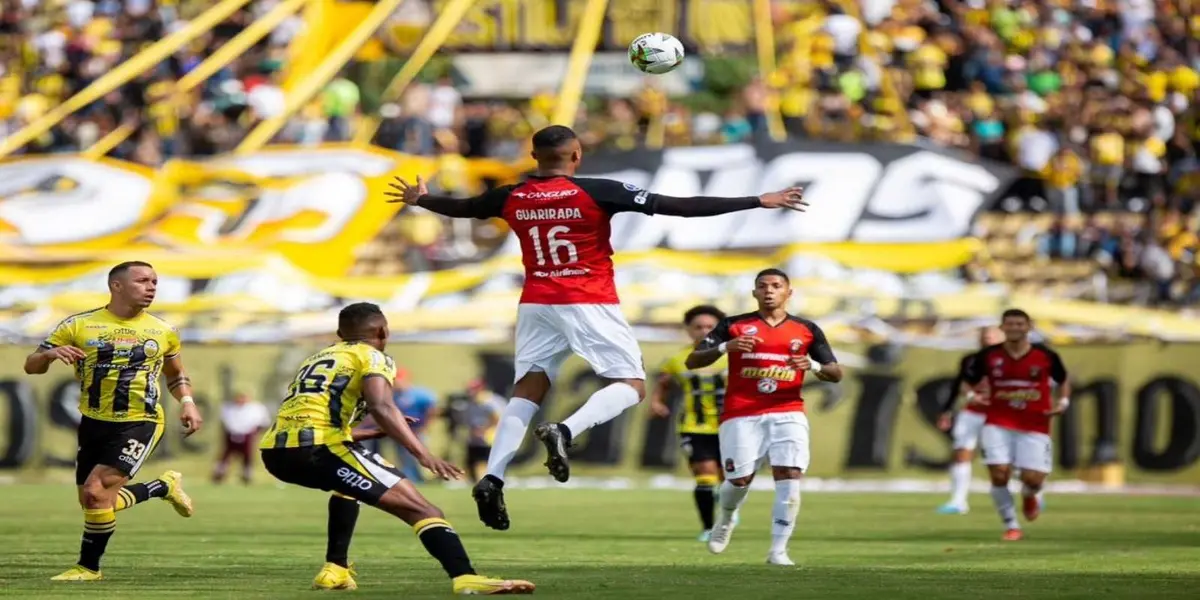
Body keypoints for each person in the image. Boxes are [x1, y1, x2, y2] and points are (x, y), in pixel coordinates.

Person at [386, 124, 808, 530]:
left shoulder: (511, 195)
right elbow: (677, 206)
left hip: (536, 302)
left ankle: (494, 477)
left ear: (533, 156)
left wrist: (422, 200)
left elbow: (465, 208)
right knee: (631, 384)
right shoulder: (597, 191)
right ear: (577, 155)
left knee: (528, 389)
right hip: (589, 299)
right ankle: (565, 430)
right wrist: (757, 200)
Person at [258, 302, 534, 594]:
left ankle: (335, 569)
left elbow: (312, 418)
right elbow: (382, 405)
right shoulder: (374, 357)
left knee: (348, 489)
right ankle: (465, 577)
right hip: (320, 450)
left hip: (276, 453)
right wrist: (423, 454)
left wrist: (373, 431)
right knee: (423, 509)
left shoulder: (317, 358)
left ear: (340, 333)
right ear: (382, 330)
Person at [23, 261, 202, 581]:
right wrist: (49, 354)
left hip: (141, 421)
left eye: (155, 282)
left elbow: (177, 375)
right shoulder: (78, 325)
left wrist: (187, 402)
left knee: (96, 493)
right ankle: (163, 486)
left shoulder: (163, 331)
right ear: (116, 286)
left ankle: (88, 568)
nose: (151, 287)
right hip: (93, 422)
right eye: (143, 281)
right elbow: (31, 366)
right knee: (94, 501)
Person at [685, 268, 843, 566]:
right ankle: (726, 518)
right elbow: (692, 360)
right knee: (739, 480)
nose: (769, 290)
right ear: (754, 292)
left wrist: (811, 365)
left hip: (788, 412)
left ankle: (778, 551)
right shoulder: (733, 325)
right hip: (742, 413)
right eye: (763, 286)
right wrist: (723, 347)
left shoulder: (806, 329)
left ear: (788, 292)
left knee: (790, 478)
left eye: (776, 285)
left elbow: (835, 373)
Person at [961, 309, 1070, 541]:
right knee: (999, 474)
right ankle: (1011, 525)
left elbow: (1063, 379)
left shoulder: (1045, 356)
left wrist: (1063, 401)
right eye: (1009, 324)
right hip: (998, 420)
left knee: (1033, 479)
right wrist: (972, 397)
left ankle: (1030, 494)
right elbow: (967, 380)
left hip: (1035, 422)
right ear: (1002, 327)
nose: (1014, 328)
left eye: (1019, 324)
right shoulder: (989, 355)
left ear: (1028, 327)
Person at [650, 304, 740, 542]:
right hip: (694, 426)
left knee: (729, 479)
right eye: (698, 327)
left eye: (710, 327)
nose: (703, 331)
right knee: (705, 477)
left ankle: (729, 509)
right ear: (688, 330)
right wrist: (657, 402)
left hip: (730, 426)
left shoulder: (733, 356)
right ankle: (709, 528)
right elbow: (663, 382)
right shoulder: (679, 359)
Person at [934, 326, 1005, 514]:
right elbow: (960, 384)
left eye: (992, 335)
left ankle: (1033, 494)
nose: (987, 338)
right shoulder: (970, 360)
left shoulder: (1011, 360)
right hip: (972, 413)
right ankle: (958, 501)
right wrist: (947, 411)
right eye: (984, 335)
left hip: (999, 414)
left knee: (1003, 459)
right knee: (961, 453)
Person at [213, 392, 271, 484]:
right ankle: (219, 474)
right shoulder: (229, 408)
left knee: (248, 456)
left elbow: (263, 422)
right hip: (231, 435)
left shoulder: (255, 408)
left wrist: (255, 432)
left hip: (247, 435)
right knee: (225, 455)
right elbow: (224, 422)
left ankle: (247, 475)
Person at [463, 380, 507, 483]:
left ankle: (485, 482)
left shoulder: (488, 401)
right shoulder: (472, 401)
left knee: (483, 462)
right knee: (472, 463)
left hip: (488, 437)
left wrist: (483, 429)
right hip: (476, 438)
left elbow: (497, 418)